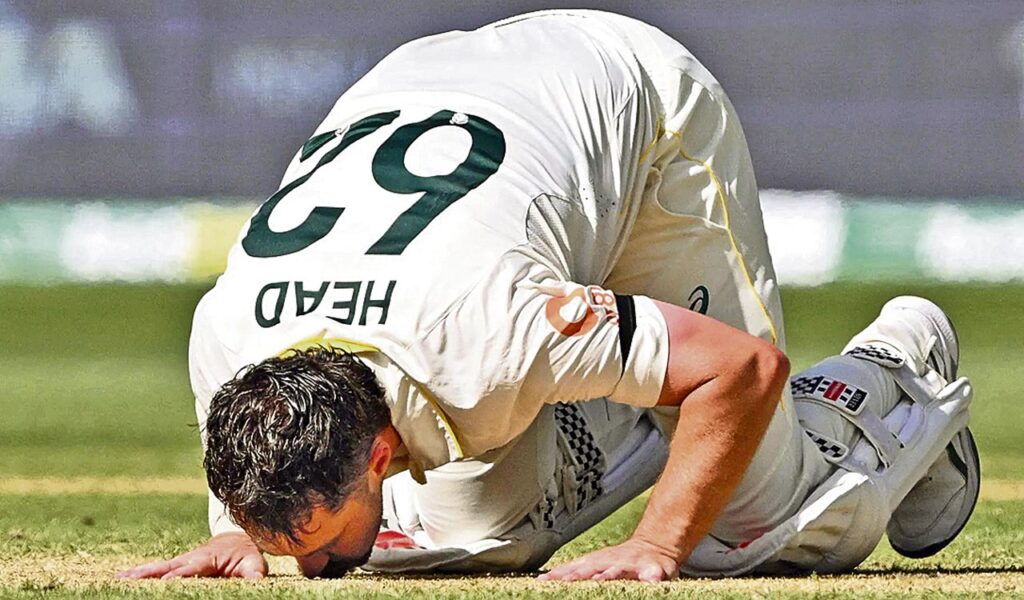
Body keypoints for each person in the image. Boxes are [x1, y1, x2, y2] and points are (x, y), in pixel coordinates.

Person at [117, 10, 978, 582]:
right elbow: (254, 452)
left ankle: (898, 361)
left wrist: (657, 543)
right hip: (433, 80)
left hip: (634, 106)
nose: (308, 572)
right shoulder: (228, 334)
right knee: (459, 542)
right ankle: (650, 389)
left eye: (309, 544)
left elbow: (742, 369)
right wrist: (236, 533)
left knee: (752, 526)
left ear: (378, 454)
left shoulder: (489, 328)